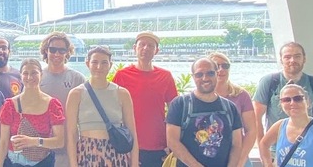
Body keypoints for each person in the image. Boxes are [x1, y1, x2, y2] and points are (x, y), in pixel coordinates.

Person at [65, 46, 139, 167]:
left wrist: (134, 163)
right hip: (87, 152)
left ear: (110, 65)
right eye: (95, 62)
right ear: (87, 64)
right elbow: (72, 134)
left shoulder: (122, 93)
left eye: (104, 62)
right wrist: (73, 164)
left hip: (116, 154)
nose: (99, 67)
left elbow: (132, 132)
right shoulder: (76, 94)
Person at [253, 42, 313, 160]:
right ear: (281, 60)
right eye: (287, 57)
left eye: (297, 56)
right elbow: (256, 118)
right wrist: (264, 156)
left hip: (308, 151)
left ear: (304, 59)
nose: (292, 60)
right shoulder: (269, 82)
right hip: (276, 151)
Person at [112, 31, 177, 167]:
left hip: (159, 145)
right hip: (129, 143)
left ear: (156, 51)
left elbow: (174, 112)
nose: (145, 48)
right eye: (142, 45)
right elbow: (112, 110)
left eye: (150, 46)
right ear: (134, 48)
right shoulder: (122, 75)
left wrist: (172, 142)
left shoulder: (165, 76)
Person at [166, 57, 243, 167]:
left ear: (217, 74)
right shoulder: (180, 104)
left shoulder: (230, 108)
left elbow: (237, 145)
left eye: (210, 73)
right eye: (199, 74)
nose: (205, 78)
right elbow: (172, 141)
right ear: (193, 77)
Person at [0, 59, 65, 167]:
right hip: (14, 162)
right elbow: (3, 142)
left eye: (34, 73)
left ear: (41, 75)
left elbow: (59, 141)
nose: (29, 77)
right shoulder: (10, 105)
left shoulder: (52, 105)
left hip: (43, 162)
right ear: (21, 76)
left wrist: (33, 141)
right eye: (25, 73)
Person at [258, 83, 313, 167]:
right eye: (286, 100)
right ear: (281, 105)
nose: (292, 103)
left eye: (298, 98)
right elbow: (264, 144)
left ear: (308, 102)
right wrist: (268, 164)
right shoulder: (279, 126)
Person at [39, 32, 86, 167]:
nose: (57, 54)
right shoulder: (36, 78)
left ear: (67, 52)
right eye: (53, 49)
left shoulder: (78, 79)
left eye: (62, 50)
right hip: (42, 150)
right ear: (46, 51)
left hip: (70, 149)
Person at [209, 52, 257, 167]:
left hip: (238, 156)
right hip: (209, 156)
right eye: (216, 66)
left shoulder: (241, 95)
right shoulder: (199, 97)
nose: (221, 70)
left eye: (225, 66)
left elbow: (251, 130)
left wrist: (241, 159)